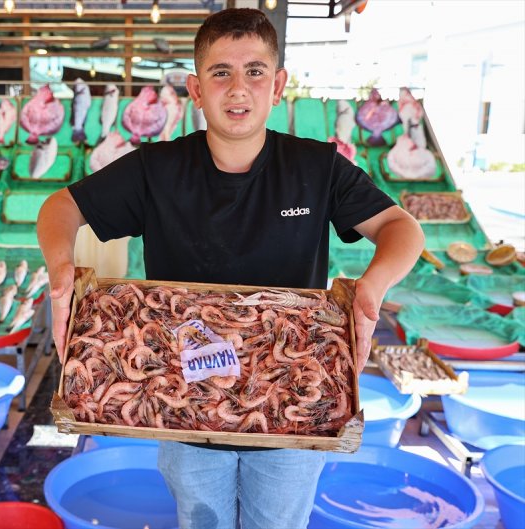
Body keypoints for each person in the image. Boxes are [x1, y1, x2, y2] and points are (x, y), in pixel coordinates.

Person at [37, 8, 425, 529]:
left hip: (294, 398)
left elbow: (403, 228)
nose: (238, 88)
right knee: (202, 518)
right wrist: (62, 271)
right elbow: (61, 208)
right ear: (196, 90)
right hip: (183, 394)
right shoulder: (157, 169)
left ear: (278, 84)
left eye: (255, 71)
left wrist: (371, 288)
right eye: (221, 73)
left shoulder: (317, 167)